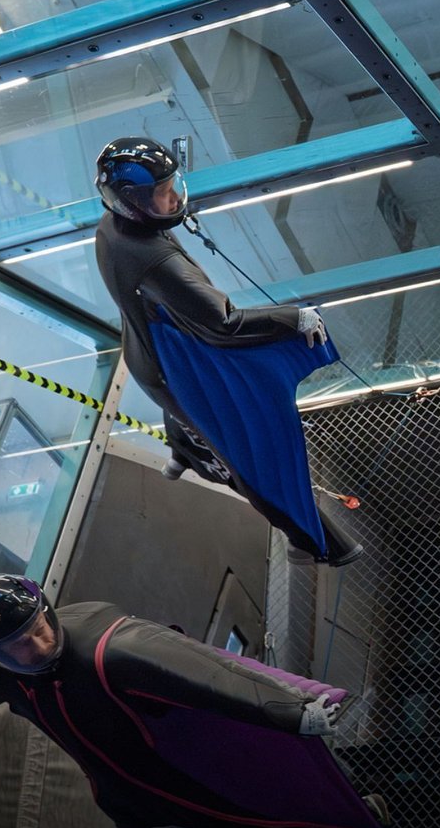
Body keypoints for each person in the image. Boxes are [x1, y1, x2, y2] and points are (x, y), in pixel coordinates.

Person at [0, 574, 396, 828]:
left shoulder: (114, 649)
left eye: (39, 631)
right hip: (123, 783)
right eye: (18, 645)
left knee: (244, 813)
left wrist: (294, 710)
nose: (37, 648)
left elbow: (209, 672)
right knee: (199, 826)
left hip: (174, 757)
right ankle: (360, 826)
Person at [93, 137, 361, 566]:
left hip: (155, 349)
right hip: (171, 367)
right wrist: (294, 319)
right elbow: (225, 324)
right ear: (131, 203)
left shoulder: (113, 229)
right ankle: (312, 541)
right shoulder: (155, 260)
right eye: (161, 194)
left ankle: (183, 449)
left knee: (194, 418)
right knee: (250, 458)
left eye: (172, 185)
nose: (174, 198)